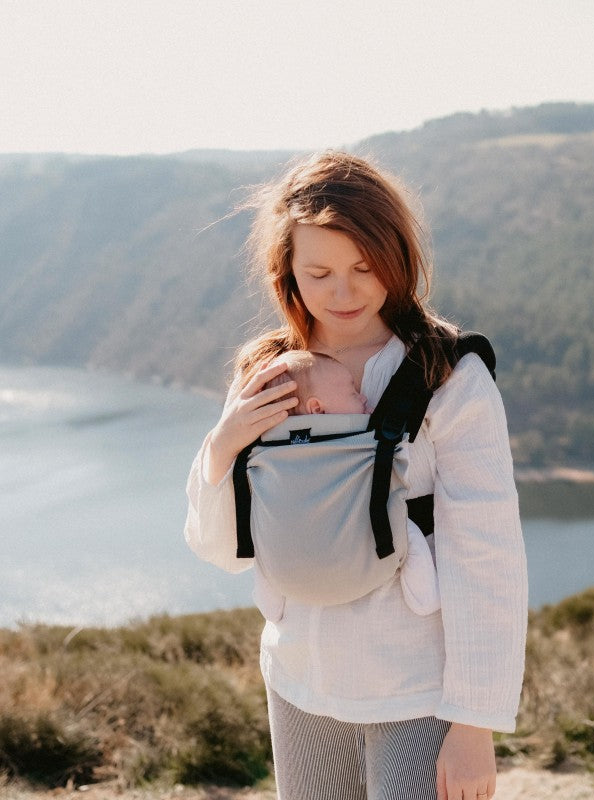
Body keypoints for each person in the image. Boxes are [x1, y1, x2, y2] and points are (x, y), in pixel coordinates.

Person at [184, 151, 527, 800]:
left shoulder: (449, 375)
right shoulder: (269, 373)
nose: (344, 292)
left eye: (365, 268)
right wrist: (224, 444)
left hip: (417, 688)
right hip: (299, 676)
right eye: (319, 272)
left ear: (398, 257)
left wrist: (476, 722)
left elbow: (487, 555)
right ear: (285, 270)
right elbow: (225, 550)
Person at [258, 347, 442, 617]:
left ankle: (269, 603)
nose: (364, 397)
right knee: (405, 527)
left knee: (266, 535)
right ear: (317, 409)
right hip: (365, 562)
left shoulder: (267, 449)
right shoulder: (362, 442)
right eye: (353, 392)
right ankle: (425, 598)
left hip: (285, 572)